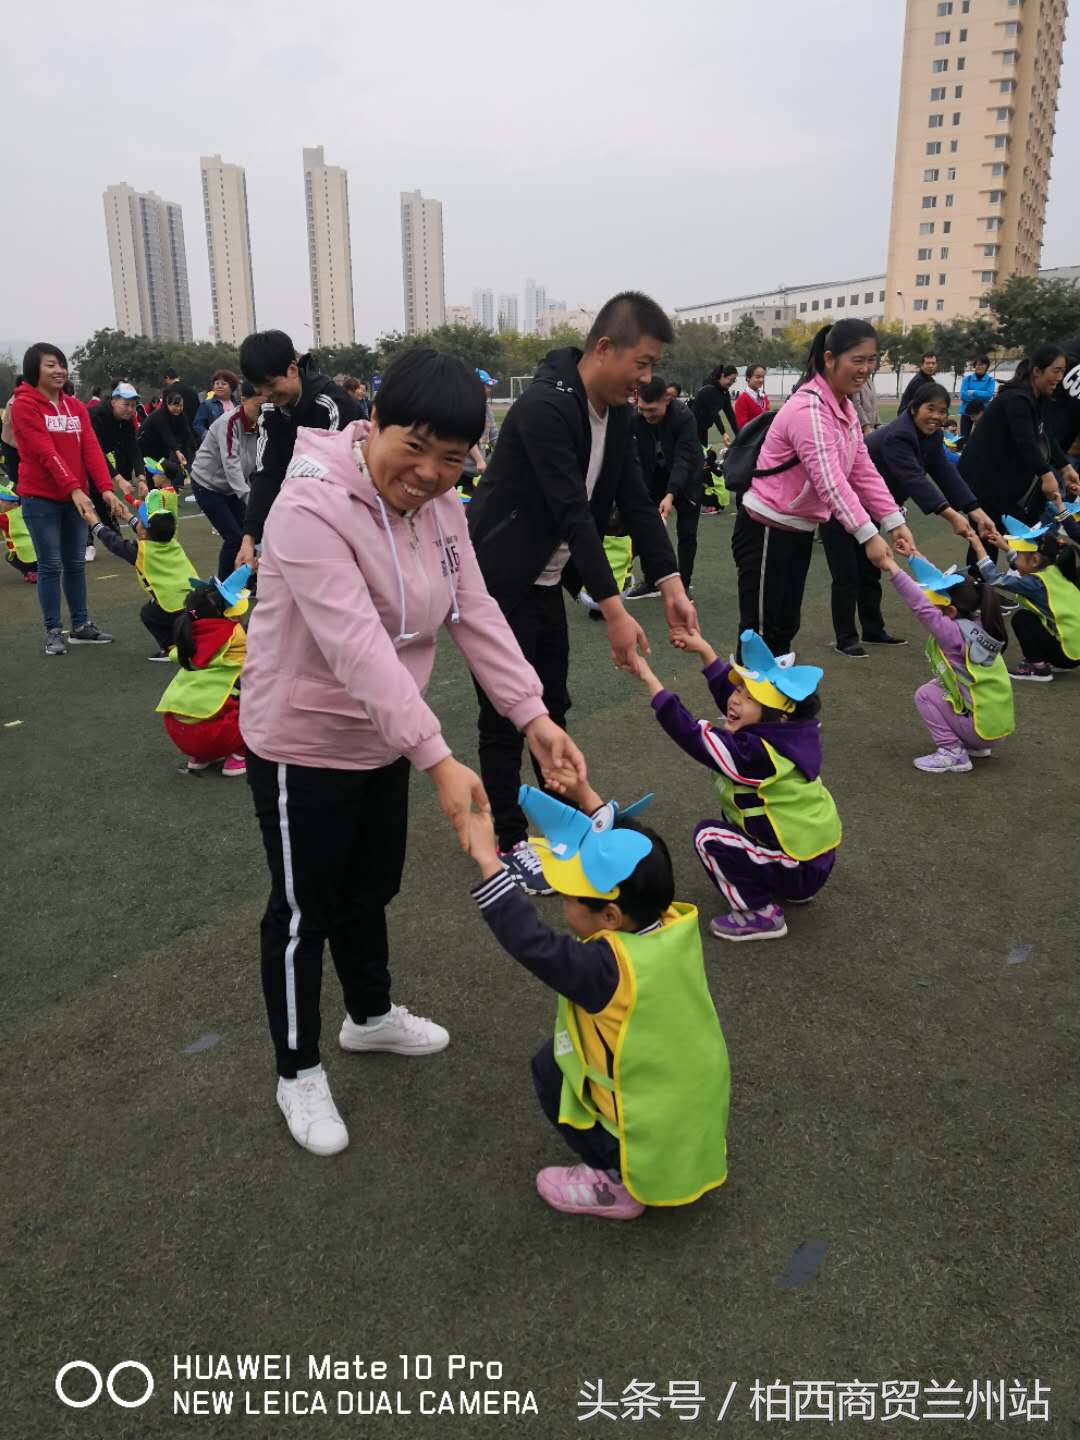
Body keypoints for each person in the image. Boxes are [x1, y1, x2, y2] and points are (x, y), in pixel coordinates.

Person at [239, 348, 585, 1157]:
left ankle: (369, 1016)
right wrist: (438, 760)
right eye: (416, 445)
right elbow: (357, 648)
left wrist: (533, 716)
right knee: (302, 911)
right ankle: (296, 1070)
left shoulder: (443, 508)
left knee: (372, 884)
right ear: (374, 424)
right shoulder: (307, 505)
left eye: (454, 458)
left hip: (384, 737)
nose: (430, 473)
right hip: (303, 739)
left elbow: (474, 610)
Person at [467, 291, 697, 894]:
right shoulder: (545, 407)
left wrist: (670, 581)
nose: (647, 381)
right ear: (603, 348)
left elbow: (636, 500)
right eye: (641, 364)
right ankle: (510, 840)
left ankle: (558, 817)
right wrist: (616, 612)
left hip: (544, 579)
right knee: (503, 715)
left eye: (653, 368)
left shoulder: (616, 412)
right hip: (498, 581)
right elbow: (573, 511)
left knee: (551, 703)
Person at [467, 782, 730, 1220]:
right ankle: (665, 1153)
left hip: (646, 1121)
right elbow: (637, 848)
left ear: (610, 917)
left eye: (570, 897)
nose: (564, 903)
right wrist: (587, 796)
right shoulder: (670, 922)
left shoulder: (604, 968)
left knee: (550, 1069)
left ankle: (618, 1180)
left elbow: (532, 944)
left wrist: (488, 863)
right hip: (694, 1105)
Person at [640, 626, 839, 943]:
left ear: (776, 717)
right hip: (811, 859)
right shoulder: (789, 736)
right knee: (739, 816)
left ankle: (759, 914)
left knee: (709, 837)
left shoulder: (756, 753)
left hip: (800, 867)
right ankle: (785, 878)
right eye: (739, 690)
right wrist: (705, 651)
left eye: (748, 697)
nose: (735, 700)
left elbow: (694, 737)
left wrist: (651, 682)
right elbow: (737, 704)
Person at [731, 321, 914, 657]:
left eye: (871, 360)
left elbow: (862, 469)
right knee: (759, 632)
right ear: (830, 359)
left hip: (798, 528)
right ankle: (743, 707)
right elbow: (829, 481)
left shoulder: (844, 408)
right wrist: (869, 535)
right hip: (766, 529)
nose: (866, 369)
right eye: (857, 360)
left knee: (785, 626)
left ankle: (773, 707)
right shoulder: (808, 408)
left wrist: (893, 520)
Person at [821, 381, 994, 658]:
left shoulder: (933, 437)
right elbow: (913, 478)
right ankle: (846, 638)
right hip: (842, 508)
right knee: (847, 575)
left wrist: (974, 510)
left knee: (870, 570)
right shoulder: (898, 436)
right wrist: (950, 516)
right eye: (930, 409)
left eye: (942, 411)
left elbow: (945, 474)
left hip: (872, 511)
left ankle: (873, 630)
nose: (937, 416)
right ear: (914, 408)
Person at [11, 343, 124, 654]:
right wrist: (74, 487)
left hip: (75, 498)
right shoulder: (24, 406)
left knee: (75, 563)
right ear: (35, 369)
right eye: (51, 365)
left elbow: (91, 448)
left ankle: (81, 625)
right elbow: (45, 452)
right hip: (41, 498)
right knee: (50, 565)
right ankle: (53, 630)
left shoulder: (75, 407)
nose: (59, 370)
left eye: (61, 364)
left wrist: (104, 488)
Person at [873, 550, 1013, 774]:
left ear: (950, 610)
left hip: (978, 729)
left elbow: (921, 606)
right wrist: (913, 555)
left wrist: (892, 567)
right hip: (995, 729)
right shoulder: (981, 621)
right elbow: (942, 583)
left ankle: (952, 753)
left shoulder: (951, 632)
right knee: (940, 686)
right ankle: (973, 744)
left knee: (926, 694)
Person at [235, 329, 362, 568]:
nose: (266, 395)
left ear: (292, 370)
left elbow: (336, 478)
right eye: (259, 388)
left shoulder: (333, 405)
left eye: (271, 385)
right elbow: (267, 472)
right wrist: (249, 537)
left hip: (350, 517)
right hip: (306, 516)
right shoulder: (270, 411)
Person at [959, 345, 1079, 554]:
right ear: (1037, 371)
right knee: (991, 537)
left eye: (1063, 371)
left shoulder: (1035, 399)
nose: (1060, 377)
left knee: (1008, 535)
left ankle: (987, 579)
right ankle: (980, 582)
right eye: (1056, 370)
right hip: (982, 482)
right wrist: (1046, 474)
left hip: (999, 484)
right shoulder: (1017, 399)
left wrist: (1065, 467)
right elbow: (1026, 442)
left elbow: (1045, 434)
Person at [156, 567, 250, 776]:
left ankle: (202, 756)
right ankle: (239, 756)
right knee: (259, 693)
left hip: (180, 735)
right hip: (216, 734)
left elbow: (175, 654)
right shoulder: (234, 634)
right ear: (230, 613)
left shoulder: (187, 636)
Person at [87, 488, 199, 660]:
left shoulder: (140, 551)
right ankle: (189, 638)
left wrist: (95, 523)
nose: (137, 522)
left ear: (145, 533)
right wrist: (125, 515)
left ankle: (170, 647)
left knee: (149, 614)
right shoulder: (172, 542)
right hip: (194, 601)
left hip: (172, 605)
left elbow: (113, 542)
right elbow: (144, 530)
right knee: (176, 616)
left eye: (140, 521)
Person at [624, 376, 704, 598]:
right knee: (648, 529)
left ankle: (684, 584)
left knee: (687, 532)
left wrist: (670, 494)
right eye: (643, 409)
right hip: (654, 477)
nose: (647, 414)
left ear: (667, 400)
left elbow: (683, 459)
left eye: (652, 409)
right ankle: (652, 580)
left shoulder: (684, 417)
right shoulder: (635, 417)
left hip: (687, 478)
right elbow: (632, 454)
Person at [976, 514, 1080, 682]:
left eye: (1018, 554)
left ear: (1035, 560)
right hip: (1074, 652)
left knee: (1023, 618)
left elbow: (994, 578)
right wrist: (1006, 548)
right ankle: (1049, 658)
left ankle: (1039, 669)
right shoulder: (1055, 569)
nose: (1015, 558)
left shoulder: (1035, 583)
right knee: (1034, 618)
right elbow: (1025, 563)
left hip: (1066, 656)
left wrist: (978, 547)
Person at [190, 381, 261, 578]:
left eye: (266, 405)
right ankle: (222, 588)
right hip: (207, 485)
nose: (262, 411)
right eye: (258, 405)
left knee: (251, 532)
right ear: (244, 400)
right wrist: (252, 500)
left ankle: (248, 580)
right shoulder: (228, 423)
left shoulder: (262, 424)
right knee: (234, 537)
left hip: (231, 488)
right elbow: (231, 465)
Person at [139, 388, 197, 485]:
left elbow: (187, 433)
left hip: (161, 445)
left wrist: (196, 450)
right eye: (176, 405)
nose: (178, 408)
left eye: (181, 406)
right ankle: (151, 492)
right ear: (168, 404)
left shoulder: (181, 416)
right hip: (146, 444)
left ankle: (165, 490)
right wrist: (177, 451)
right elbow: (167, 434)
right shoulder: (160, 415)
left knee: (164, 469)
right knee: (152, 470)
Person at [690, 364, 738, 447]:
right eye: (731, 379)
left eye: (734, 381)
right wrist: (723, 433)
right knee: (697, 454)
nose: (732, 383)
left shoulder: (724, 392)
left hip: (703, 428)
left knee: (703, 453)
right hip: (691, 428)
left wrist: (739, 434)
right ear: (723, 376)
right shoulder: (709, 389)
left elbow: (730, 415)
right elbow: (714, 413)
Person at [0, 479, 37, 581]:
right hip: (38, 549)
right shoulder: (25, 510)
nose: (0, 503)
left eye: (3, 500)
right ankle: (35, 571)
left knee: (9, 557)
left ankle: (31, 572)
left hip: (25, 552)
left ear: (15, 503)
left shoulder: (5, 518)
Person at [192, 370, 240, 442]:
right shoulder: (207, 404)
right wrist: (210, 437)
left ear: (231, 387)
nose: (219, 386)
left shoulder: (238, 406)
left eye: (223, 384)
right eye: (217, 383)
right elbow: (198, 424)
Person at [959, 356, 996, 443]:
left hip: (982, 414)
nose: (979, 366)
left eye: (982, 364)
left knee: (982, 437)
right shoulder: (967, 379)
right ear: (974, 366)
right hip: (966, 412)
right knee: (964, 438)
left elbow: (988, 395)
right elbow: (963, 395)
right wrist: (981, 397)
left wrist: (973, 392)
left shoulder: (991, 380)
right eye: (977, 364)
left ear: (987, 367)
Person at [733, 364, 769, 430]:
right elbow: (743, 427)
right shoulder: (742, 399)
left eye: (763, 377)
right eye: (757, 377)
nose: (761, 380)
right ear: (748, 378)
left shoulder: (764, 397)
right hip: (752, 439)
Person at [1, 375, 22, 491]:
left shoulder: (15, 398)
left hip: (11, 445)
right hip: (12, 447)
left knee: (15, 478)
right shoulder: (15, 402)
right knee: (16, 479)